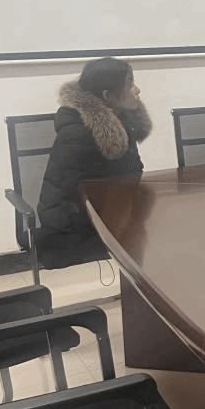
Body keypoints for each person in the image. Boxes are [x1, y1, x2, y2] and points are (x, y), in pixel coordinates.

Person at [36, 57, 152, 268]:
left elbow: (132, 173)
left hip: (107, 211)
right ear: (107, 96)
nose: (137, 90)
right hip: (75, 231)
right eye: (129, 85)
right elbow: (62, 196)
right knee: (160, 234)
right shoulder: (80, 133)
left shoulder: (119, 121)